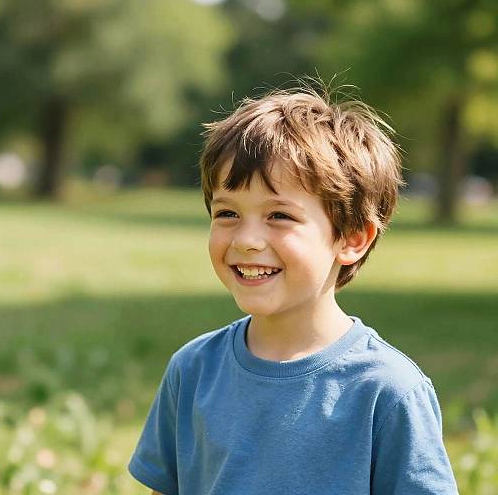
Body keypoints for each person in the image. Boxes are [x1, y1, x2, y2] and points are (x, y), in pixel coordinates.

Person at [128, 83, 459, 494]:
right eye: (227, 212)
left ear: (352, 238)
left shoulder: (388, 391)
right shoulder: (193, 369)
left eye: (279, 215)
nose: (247, 239)